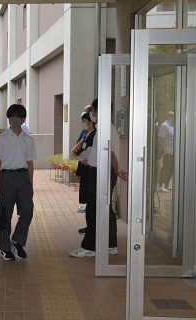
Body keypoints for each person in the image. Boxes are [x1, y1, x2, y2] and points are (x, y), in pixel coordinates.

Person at [69, 98, 128, 258]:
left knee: (94, 210)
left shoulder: (104, 129)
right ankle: (110, 244)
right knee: (104, 209)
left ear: (98, 111)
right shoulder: (107, 128)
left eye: (93, 111)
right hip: (102, 170)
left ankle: (90, 247)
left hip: (102, 172)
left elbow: (111, 155)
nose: (92, 114)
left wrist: (116, 171)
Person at [0, 104, 36, 261]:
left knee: (27, 212)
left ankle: (17, 241)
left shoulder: (28, 140)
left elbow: (30, 163)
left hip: (23, 178)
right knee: (5, 214)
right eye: (12, 116)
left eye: (18, 117)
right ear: (8, 118)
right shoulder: (1, 139)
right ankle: (5, 247)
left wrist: (30, 183)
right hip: (6, 178)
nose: (15, 119)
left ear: (23, 119)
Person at [71, 111, 96, 232]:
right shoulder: (88, 134)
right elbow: (76, 149)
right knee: (87, 197)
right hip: (85, 166)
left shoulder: (93, 135)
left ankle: (91, 227)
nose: (83, 124)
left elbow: (87, 151)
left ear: (91, 121)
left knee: (90, 199)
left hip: (88, 167)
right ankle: (89, 226)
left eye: (84, 121)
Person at [74, 105, 93, 213]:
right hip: (83, 161)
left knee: (88, 187)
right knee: (85, 186)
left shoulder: (92, 133)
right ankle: (87, 206)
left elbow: (84, 147)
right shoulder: (86, 131)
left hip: (87, 163)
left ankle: (88, 206)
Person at [156, 111, 174, 193]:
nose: (172, 117)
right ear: (167, 116)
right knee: (165, 168)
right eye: (171, 115)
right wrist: (163, 150)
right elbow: (160, 139)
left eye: (173, 116)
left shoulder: (172, 126)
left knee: (170, 169)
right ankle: (160, 185)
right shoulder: (164, 126)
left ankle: (167, 185)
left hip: (172, 151)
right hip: (166, 151)